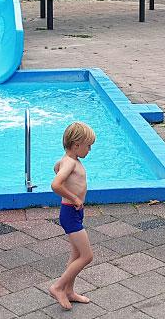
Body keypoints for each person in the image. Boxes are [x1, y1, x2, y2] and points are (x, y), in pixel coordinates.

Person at [48, 121, 96, 310]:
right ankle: (58, 287)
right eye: (88, 146)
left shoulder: (67, 161)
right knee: (87, 256)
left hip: (73, 213)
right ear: (76, 145)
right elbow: (56, 184)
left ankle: (69, 291)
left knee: (76, 253)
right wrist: (75, 198)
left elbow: (56, 168)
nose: (90, 150)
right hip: (70, 213)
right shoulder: (70, 163)